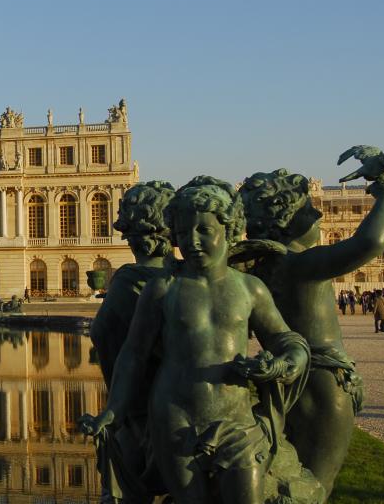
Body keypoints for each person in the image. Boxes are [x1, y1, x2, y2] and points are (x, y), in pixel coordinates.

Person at [81, 177, 315, 503]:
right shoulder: (161, 289)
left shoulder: (249, 289)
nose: (192, 241)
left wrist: (287, 362)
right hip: (174, 421)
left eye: (204, 231)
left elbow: (286, 339)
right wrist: (114, 410)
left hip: (236, 421)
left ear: (230, 229)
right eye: (182, 232)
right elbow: (133, 354)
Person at [239, 169, 384, 494]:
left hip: (284, 382)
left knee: (290, 477)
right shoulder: (302, 266)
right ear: (286, 219)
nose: (320, 213)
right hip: (326, 384)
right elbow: (372, 240)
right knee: (317, 487)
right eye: (309, 210)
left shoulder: (262, 273)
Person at [88, 180, 174, 503]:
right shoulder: (190, 281)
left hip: (137, 408)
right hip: (189, 398)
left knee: (125, 482)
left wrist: (119, 404)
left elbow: (104, 336)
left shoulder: (126, 283)